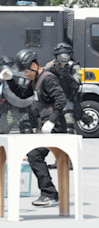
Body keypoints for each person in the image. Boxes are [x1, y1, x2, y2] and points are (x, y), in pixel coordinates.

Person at [6, 49, 67, 206]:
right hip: (44, 124)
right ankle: (49, 193)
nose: (25, 75)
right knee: (34, 155)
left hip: (54, 124)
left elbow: (61, 99)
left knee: (34, 155)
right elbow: (23, 94)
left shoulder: (47, 78)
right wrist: (11, 79)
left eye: (26, 71)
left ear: (34, 65)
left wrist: (52, 121)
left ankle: (49, 193)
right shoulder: (35, 79)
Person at [0, 56, 34, 134]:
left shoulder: (19, 77)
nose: (5, 70)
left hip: (22, 110)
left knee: (27, 130)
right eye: (3, 68)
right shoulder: (1, 78)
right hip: (7, 110)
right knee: (2, 131)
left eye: (8, 68)